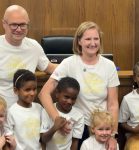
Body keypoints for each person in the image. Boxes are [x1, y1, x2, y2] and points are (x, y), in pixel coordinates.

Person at [39, 21, 120, 150]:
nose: (93, 43)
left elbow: (113, 104)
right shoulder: (69, 63)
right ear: (79, 41)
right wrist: (57, 119)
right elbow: (43, 93)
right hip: (77, 126)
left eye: (96, 39)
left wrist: (113, 135)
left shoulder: (109, 66)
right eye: (88, 39)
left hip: (102, 128)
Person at [0, 5, 57, 108]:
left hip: (25, 113)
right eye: (14, 25)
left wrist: (77, 64)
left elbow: (49, 67)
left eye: (22, 25)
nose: (18, 29)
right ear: (4, 24)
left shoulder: (33, 46)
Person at [40, 77, 84, 150]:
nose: (69, 101)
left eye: (73, 98)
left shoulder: (79, 116)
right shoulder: (47, 111)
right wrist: (55, 127)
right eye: (66, 97)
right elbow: (43, 140)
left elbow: (75, 142)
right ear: (57, 94)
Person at [5, 69, 43, 150]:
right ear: (16, 90)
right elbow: (8, 137)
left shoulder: (39, 108)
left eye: (34, 89)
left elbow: (43, 134)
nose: (32, 93)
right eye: (27, 90)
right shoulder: (11, 112)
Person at [119, 60, 139, 150]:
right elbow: (122, 122)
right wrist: (134, 130)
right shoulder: (128, 99)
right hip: (136, 136)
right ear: (135, 78)